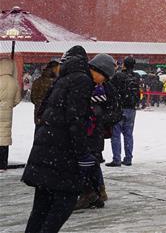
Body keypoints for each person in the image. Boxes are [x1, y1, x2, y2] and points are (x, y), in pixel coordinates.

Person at [22, 46, 93, 233]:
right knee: (63, 204)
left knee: (40, 208)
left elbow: (43, 111)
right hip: (63, 155)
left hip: (46, 150)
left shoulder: (61, 80)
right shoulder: (81, 81)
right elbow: (76, 121)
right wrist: (82, 154)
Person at [74, 53, 120, 210]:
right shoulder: (86, 83)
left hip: (94, 131)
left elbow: (115, 111)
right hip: (86, 130)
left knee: (90, 161)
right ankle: (94, 192)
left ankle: (95, 192)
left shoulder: (107, 87)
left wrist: (99, 118)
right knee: (90, 162)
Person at [107, 56, 141, 167]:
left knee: (116, 135)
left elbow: (110, 89)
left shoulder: (118, 76)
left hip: (119, 108)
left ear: (124, 64)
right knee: (128, 134)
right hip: (131, 109)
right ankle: (128, 158)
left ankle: (116, 159)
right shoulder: (136, 76)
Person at [1, 57, 23, 170]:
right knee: (4, 137)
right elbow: (17, 100)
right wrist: (8, 105)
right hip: (7, 113)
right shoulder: (14, 82)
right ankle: (2, 163)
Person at [29, 60, 59, 125]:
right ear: (53, 69)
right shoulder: (57, 83)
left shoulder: (37, 81)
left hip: (39, 115)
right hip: (52, 115)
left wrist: (39, 103)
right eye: (57, 69)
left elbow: (33, 99)